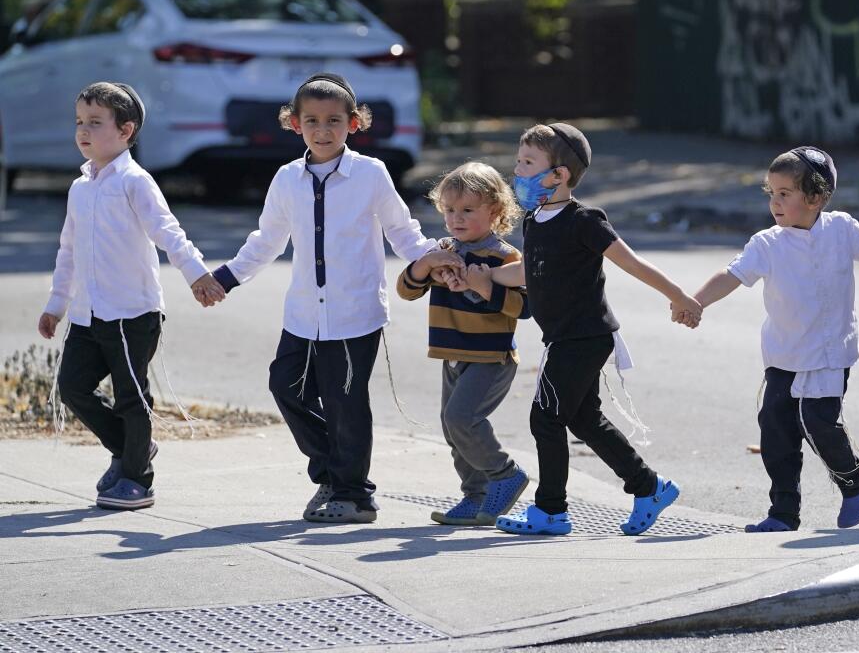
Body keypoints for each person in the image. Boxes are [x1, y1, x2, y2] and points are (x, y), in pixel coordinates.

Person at [211, 73, 437, 524]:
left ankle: (355, 495)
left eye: (334, 120)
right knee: (285, 386)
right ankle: (332, 475)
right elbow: (267, 240)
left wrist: (436, 259)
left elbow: (401, 230)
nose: (323, 129)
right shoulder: (287, 178)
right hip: (302, 315)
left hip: (355, 314)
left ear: (354, 123)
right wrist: (225, 277)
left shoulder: (370, 173)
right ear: (294, 124)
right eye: (311, 120)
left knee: (345, 403)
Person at [477, 123, 702, 536]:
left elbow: (632, 263)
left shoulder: (584, 220)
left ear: (559, 175)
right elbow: (528, 271)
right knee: (584, 420)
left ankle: (550, 511)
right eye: (518, 161)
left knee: (545, 418)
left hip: (583, 337)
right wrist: (483, 277)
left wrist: (679, 297)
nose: (517, 171)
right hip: (564, 337)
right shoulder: (535, 220)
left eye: (528, 163)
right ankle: (648, 486)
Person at [689, 147, 859, 532]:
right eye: (771, 193)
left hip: (830, 353)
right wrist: (696, 301)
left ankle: (855, 483)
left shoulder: (841, 229)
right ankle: (783, 513)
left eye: (785, 193)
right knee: (776, 430)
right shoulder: (766, 244)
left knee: (819, 422)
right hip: (784, 355)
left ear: (816, 198)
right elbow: (731, 275)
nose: (774, 202)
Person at [38, 82, 225, 511]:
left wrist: (197, 275)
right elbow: (67, 250)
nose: (83, 131)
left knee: (131, 397)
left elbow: (168, 233)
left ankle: (138, 478)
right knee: (72, 388)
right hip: (87, 315)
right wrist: (56, 304)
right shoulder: (80, 188)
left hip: (132, 313)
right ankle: (131, 449)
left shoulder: (134, 182)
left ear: (126, 131)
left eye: (95, 123)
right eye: (80, 122)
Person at [396, 161, 531, 526]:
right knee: (451, 427)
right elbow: (406, 291)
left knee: (462, 419)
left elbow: (523, 307)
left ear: (496, 211)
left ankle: (505, 475)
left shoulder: (504, 257)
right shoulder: (441, 250)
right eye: (450, 210)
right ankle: (476, 495)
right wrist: (425, 266)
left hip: (490, 356)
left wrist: (481, 284)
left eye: (468, 210)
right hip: (453, 356)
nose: (457, 218)